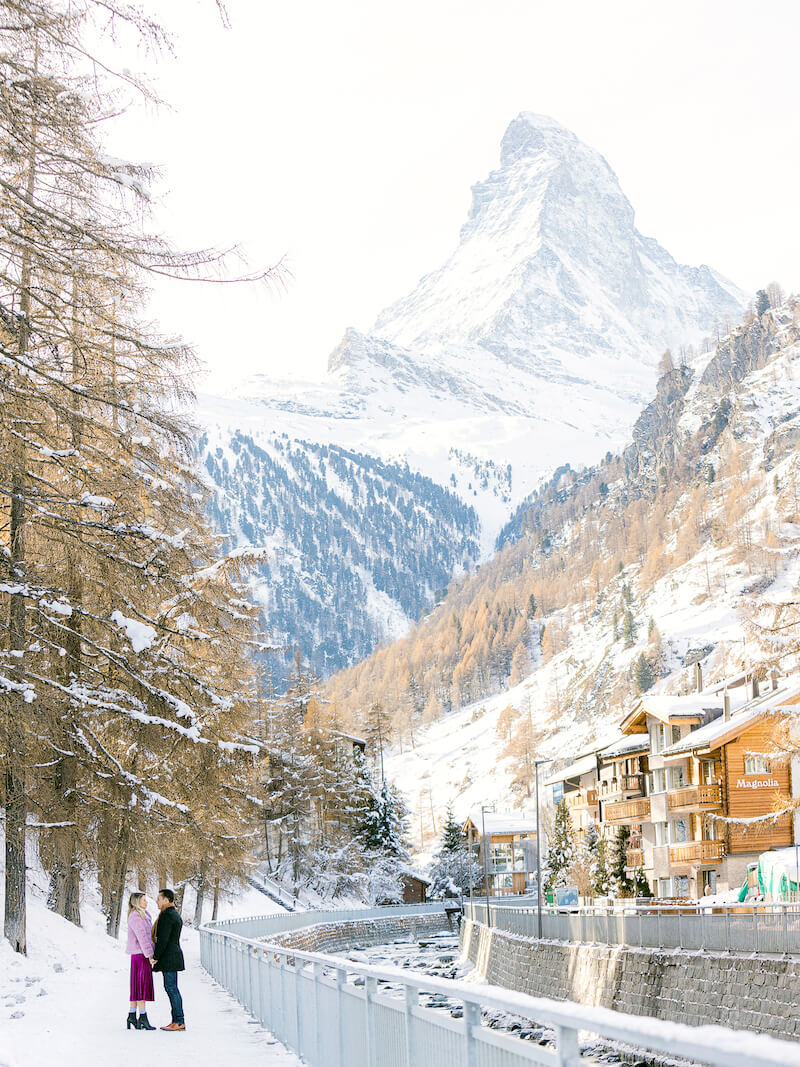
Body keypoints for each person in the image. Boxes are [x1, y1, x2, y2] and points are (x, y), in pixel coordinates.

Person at [150, 887, 186, 1031]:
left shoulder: (167, 915)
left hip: (169, 956)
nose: (157, 901)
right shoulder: (172, 913)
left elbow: (163, 939)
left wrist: (155, 957)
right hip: (173, 954)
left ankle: (178, 1021)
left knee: (171, 988)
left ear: (166, 899)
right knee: (171, 988)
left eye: (159, 899)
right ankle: (176, 1020)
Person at [125, 891, 156, 1030]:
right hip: (140, 954)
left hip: (140, 954)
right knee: (141, 985)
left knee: (137, 985)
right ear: (137, 902)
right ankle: (142, 1017)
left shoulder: (143, 915)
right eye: (144, 900)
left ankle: (132, 1015)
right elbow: (142, 937)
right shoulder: (136, 916)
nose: (146, 902)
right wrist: (150, 954)